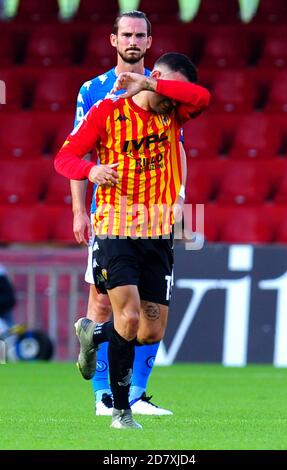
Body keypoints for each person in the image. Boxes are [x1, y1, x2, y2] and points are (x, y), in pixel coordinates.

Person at [55, 51, 210, 429]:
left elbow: (203, 97)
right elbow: (65, 158)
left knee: (150, 329)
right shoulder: (107, 112)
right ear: (156, 75)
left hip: (158, 233)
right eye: (168, 91)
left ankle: (93, 334)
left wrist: (151, 85)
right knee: (128, 316)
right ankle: (121, 411)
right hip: (117, 228)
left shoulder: (171, 110)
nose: (173, 100)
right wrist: (91, 170)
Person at [71, 10, 187, 416]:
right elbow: (78, 150)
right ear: (113, 40)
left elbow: (178, 146)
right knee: (104, 304)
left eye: (140, 34)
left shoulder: (164, 90)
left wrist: (180, 197)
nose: (133, 40)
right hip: (110, 216)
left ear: (150, 42)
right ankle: (103, 396)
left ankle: (136, 392)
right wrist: (78, 211)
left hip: (155, 217)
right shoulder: (94, 90)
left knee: (151, 312)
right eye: (126, 34)